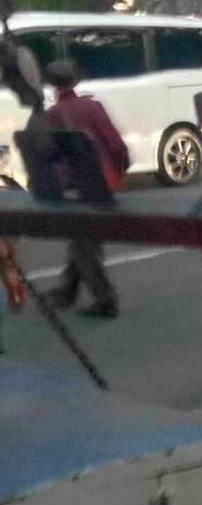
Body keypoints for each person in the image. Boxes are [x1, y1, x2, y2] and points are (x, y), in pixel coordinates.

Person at [41, 60, 129, 318]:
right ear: (75, 80)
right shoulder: (92, 107)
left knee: (84, 243)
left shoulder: (52, 115)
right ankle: (68, 290)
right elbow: (116, 145)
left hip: (75, 187)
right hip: (102, 183)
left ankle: (105, 299)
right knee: (83, 239)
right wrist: (118, 174)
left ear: (52, 85)